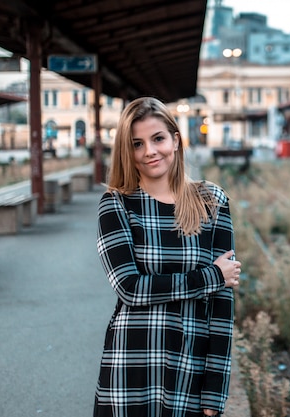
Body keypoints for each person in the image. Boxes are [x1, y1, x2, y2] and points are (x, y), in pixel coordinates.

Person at [94, 96, 241, 417]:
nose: (150, 151)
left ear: (175, 139)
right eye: (137, 144)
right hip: (131, 366)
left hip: (190, 365)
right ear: (127, 153)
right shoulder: (116, 204)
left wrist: (215, 391)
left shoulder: (212, 201)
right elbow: (130, 288)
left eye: (158, 138)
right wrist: (210, 277)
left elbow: (222, 303)